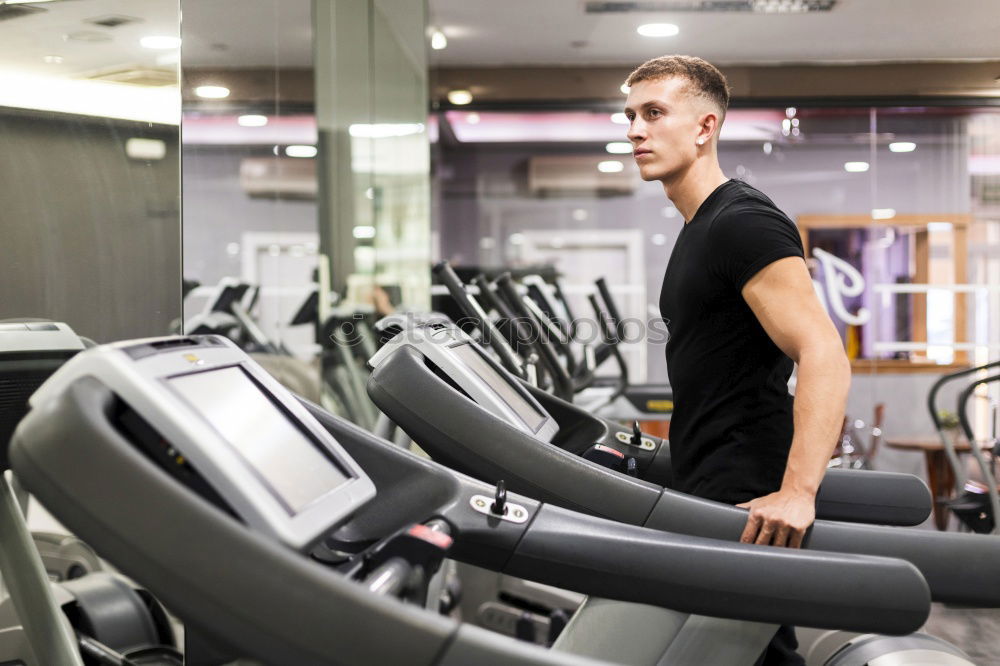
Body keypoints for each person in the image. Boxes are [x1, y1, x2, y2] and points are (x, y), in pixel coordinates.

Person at [623, 55, 851, 665]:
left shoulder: (741, 221)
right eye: (630, 116)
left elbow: (823, 350)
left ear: (705, 127)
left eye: (653, 113)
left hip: (748, 490)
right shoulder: (701, 225)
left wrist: (798, 491)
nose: (635, 131)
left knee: (748, 652)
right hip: (713, 476)